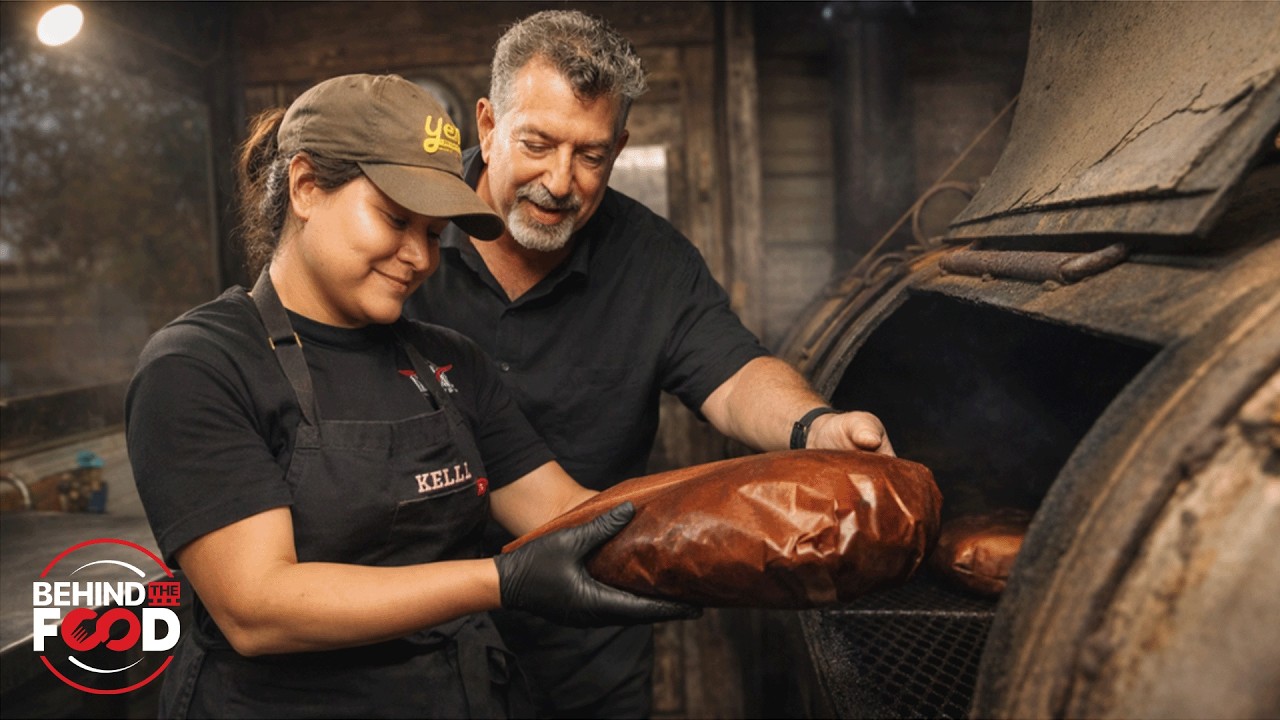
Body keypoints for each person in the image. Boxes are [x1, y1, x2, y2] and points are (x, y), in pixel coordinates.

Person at [124, 73, 697, 719]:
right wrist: (498, 582)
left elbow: (566, 511)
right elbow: (259, 608)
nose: (419, 257)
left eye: (433, 232)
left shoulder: (451, 360)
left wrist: (739, 535)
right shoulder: (201, 364)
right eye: (396, 219)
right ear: (307, 187)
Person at [402, 9, 896, 719]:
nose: (561, 181)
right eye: (537, 144)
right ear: (487, 125)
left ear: (621, 146)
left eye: (592, 155)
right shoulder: (408, 241)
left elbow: (736, 374)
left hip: (588, 654)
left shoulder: (652, 259)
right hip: (414, 647)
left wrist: (815, 425)